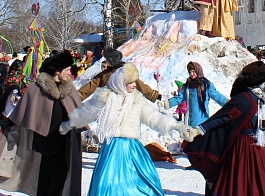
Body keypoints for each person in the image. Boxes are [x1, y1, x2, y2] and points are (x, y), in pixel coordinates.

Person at [60, 63, 192, 196]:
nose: (134, 85)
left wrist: (178, 126)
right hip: (113, 148)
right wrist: (69, 124)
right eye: (130, 82)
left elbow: (155, 117)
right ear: (120, 82)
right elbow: (87, 112)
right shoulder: (106, 97)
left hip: (133, 148)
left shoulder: (137, 99)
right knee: (110, 184)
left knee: (141, 183)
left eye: (135, 81)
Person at [184, 61, 265, 196]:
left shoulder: (262, 99)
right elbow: (223, 117)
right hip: (241, 147)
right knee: (238, 180)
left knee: (264, 180)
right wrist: (199, 130)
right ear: (259, 81)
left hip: (259, 147)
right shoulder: (243, 99)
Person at [0, 51, 83, 196]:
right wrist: (8, 124)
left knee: (55, 172)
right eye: (67, 69)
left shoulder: (69, 89)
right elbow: (21, 112)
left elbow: (77, 110)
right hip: (44, 139)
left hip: (65, 140)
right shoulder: (36, 89)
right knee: (52, 171)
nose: (70, 72)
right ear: (57, 71)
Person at [77, 48, 161, 102]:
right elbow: (91, 85)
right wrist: (78, 96)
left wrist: (152, 95)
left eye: (107, 60)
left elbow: (139, 84)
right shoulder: (105, 74)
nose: (105, 61)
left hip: (125, 101)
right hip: (111, 103)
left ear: (112, 61)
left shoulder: (125, 71)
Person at [166, 61, 227, 126]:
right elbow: (179, 98)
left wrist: (228, 103)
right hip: (189, 119)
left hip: (202, 119)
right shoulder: (187, 86)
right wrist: (167, 103)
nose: (191, 74)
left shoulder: (206, 85)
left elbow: (217, 96)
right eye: (190, 72)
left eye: (193, 71)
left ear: (198, 70)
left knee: (199, 134)